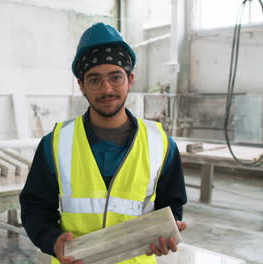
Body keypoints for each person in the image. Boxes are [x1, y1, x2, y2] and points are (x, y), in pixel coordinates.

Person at [19, 22, 187, 264]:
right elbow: (34, 206)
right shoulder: (55, 143)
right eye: (94, 80)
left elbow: (171, 206)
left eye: (116, 77)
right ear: (81, 85)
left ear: (130, 79)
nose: (106, 89)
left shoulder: (161, 144)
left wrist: (165, 235)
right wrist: (52, 239)